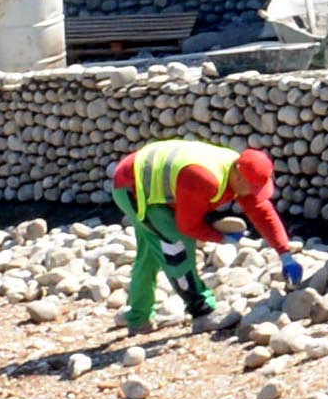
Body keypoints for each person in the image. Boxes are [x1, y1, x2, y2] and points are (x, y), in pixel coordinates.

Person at [112, 137, 302, 332]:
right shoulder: (205, 180)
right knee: (177, 248)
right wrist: (222, 238)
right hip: (133, 186)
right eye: (254, 188)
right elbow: (188, 227)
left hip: (146, 179)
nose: (255, 194)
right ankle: (202, 313)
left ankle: (137, 317)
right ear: (238, 178)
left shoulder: (238, 171)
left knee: (151, 253)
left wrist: (285, 254)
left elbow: (262, 212)